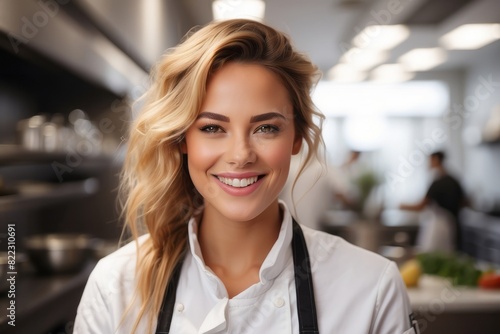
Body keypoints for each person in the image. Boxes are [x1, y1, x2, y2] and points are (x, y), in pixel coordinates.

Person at [74, 19, 417, 334]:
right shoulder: (115, 287)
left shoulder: (372, 288)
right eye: (212, 128)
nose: (241, 155)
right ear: (182, 140)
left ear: (296, 137)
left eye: (266, 128)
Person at [400, 151, 467, 252]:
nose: (428, 163)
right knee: (448, 254)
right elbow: (464, 202)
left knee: (432, 254)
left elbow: (421, 206)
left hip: (438, 226)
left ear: (436, 160)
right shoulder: (454, 180)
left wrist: (403, 206)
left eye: (430, 160)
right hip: (453, 225)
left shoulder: (437, 182)